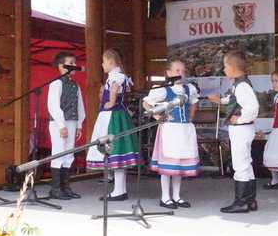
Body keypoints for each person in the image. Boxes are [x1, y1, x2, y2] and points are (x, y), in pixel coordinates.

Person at [143, 59, 200, 209]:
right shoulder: (163, 89)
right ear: (168, 73)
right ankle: (165, 197)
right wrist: (157, 117)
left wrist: (191, 118)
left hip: (184, 130)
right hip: (169, 130)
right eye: (177, 70)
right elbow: (146, 103)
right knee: (168, 164)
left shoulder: (189, 89)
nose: (181, 73)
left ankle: (176, 196)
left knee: (178, 164)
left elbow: (194, 102)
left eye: (183, 70)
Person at [208, 51, 259, 213]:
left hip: (241, 129)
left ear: (232, 67)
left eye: (225, 66)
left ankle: (241, 202)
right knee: (246, 163)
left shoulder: (242, 86)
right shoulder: (238, 84)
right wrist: (220, 100)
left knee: (240, 164)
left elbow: (253, 108)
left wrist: (240, 119)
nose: (223, 70)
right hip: (242, 129)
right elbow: (233, 100)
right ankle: (250, 200)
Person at [86, 49, 140, 201]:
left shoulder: (116, 76)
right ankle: (119, 190)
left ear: (110, 61)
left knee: (115, 150)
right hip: (114, 116)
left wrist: (111, 100)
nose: (102, 65)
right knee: (118, 153)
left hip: (113, 117)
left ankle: (119, 190)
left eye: (103, 62)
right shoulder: (117, 75)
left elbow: (115, 88)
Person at [47, 51, 85, 200]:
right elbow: (53, 106)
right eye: (71, 63)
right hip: (58, 124)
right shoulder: (56, 83)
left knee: (69, 153)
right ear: (61, 66)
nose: (75, 66)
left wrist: (79, 124)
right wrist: (61, 125)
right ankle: (55, 189)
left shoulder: (75, 85)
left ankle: (65, 187)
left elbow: (80, 105)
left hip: (72, 122)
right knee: (59, 152)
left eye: (75, 63)